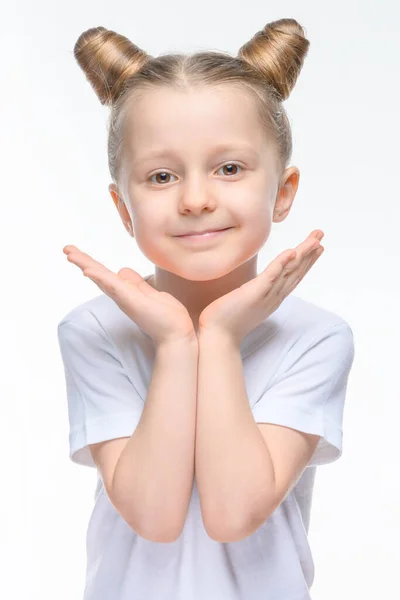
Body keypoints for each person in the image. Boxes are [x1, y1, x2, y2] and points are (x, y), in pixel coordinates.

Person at [57, 19, 355, 600]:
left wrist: (216, 339)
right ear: (124, 208)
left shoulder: (317, 338)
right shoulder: (93, 331)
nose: (196, 199)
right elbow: (155, 516)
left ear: (284, 191)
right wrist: (175, 344)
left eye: (230, 168)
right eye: (162, 176)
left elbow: (232, 513)